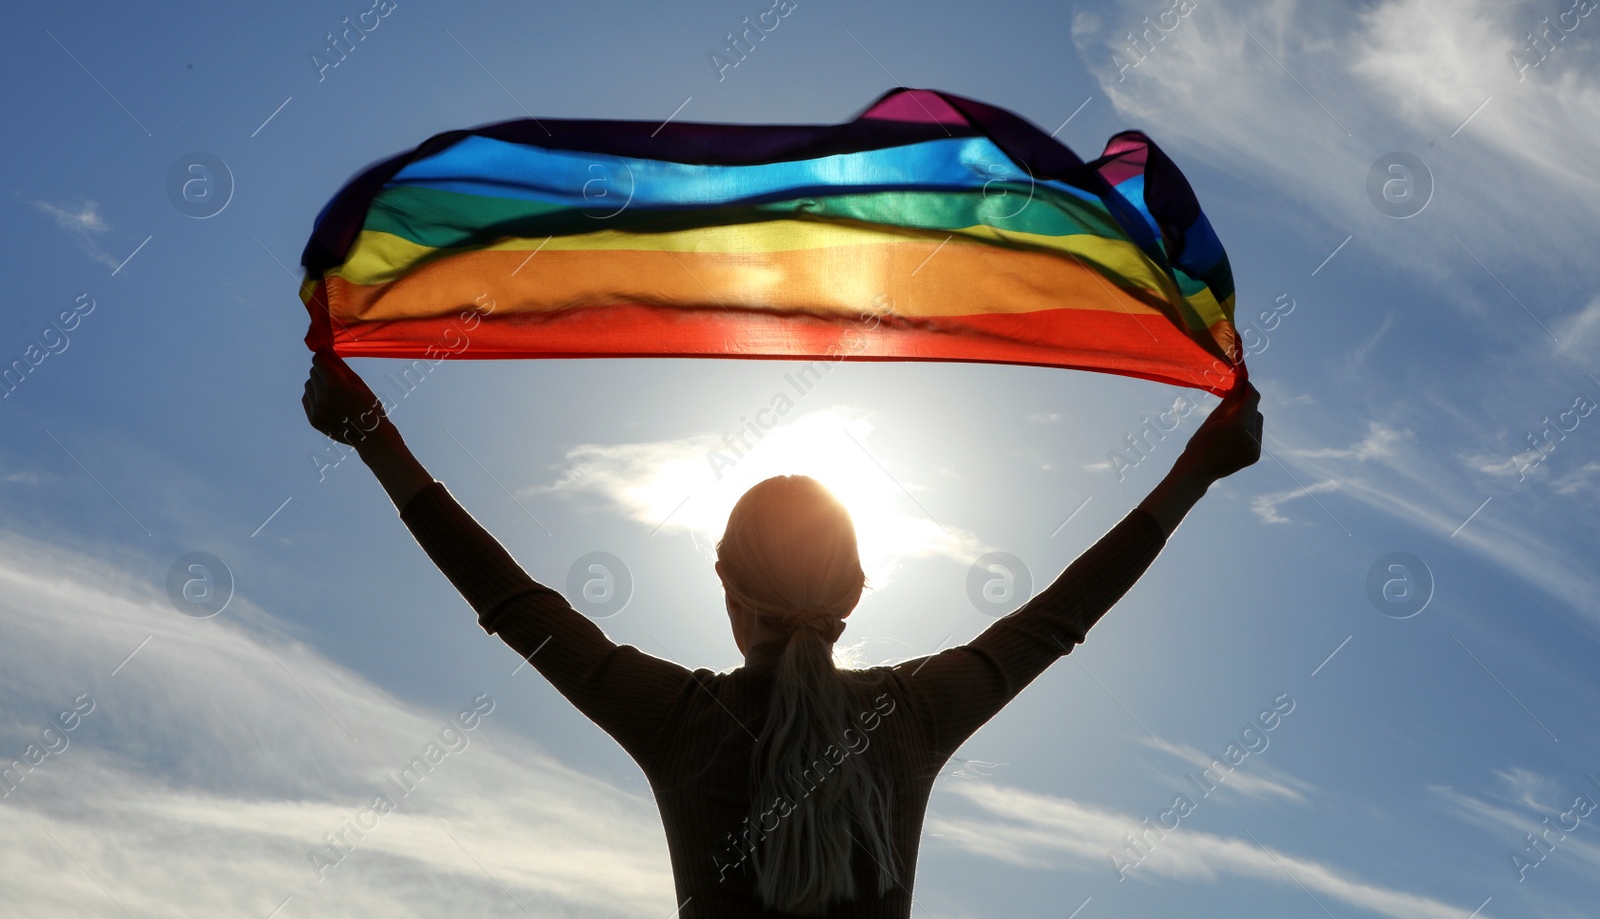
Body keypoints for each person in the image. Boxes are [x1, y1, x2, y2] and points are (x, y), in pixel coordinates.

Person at [301, 351, 1263, 917]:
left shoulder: (677, 717)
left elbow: (512, 602)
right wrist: (1194, 468)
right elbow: (1058, 615)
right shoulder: (914, 716)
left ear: (727, 587)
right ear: (855, 589)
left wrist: (375, 432)